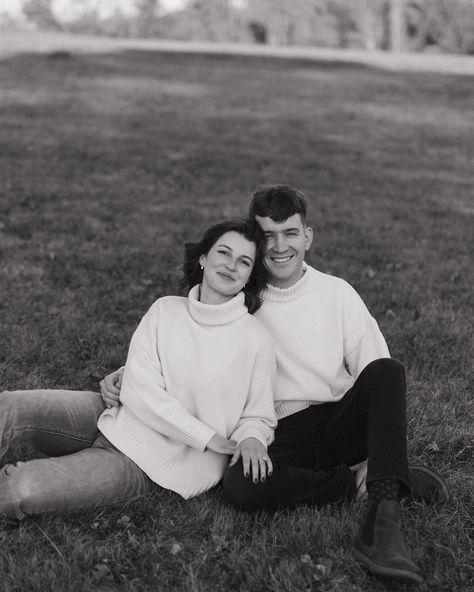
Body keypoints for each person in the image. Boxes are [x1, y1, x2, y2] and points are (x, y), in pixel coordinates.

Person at [102, 185, 449, 585]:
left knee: (388, 370)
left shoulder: (337, 294)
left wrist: (376, 441)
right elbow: (193, 337)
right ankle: (354, 484)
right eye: (267, 235)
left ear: (308, 237)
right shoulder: (244, 293)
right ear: (256, 239)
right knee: (238, 485)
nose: (279, 246)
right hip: (275, 430)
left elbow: (376, 383)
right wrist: (128, 372)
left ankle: (382, 522)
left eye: (290, 233)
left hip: (337, 420)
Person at [0, 218, 277, 520]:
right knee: (9, 406)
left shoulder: (255, 338)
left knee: (18, 488)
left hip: (150, 462)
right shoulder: (165, 310)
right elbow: (141, 387)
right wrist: (206, 437)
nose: (231, 265)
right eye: (223, 252)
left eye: (244, 261)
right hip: (113, 414)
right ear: (203, 257)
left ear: (250, 276)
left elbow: (258, 415)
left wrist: (252, 437)